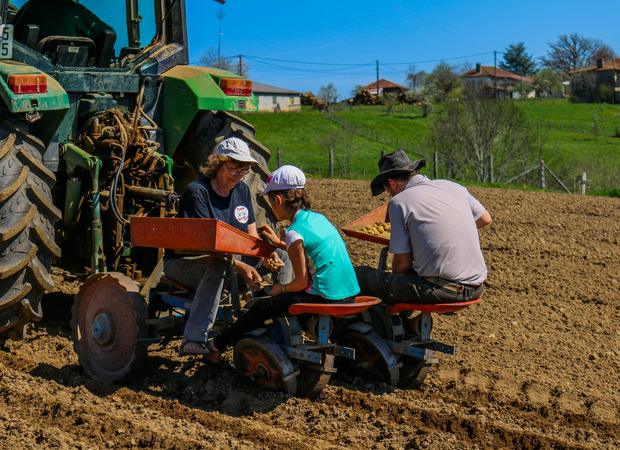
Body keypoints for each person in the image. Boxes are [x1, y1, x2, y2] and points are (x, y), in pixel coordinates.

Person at [205, 165, 360, 358]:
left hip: (326, 296)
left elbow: (301, 283)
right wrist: (278, 242)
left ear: (277, 199)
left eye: (270, 200)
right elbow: (308, 250)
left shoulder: (295, 232)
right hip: (349, 294)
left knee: (262, 307)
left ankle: (216, 345)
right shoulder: (318, 219)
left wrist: (281, 289)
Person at [163, 137, 290, 355]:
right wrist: (242, 267)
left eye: (244, 171)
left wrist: (263, 256)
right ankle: (194, 337)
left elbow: (250, 236)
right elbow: (205, 247)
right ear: (218, 163)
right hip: (188, 262)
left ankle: (279, 313)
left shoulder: (241, 190)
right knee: (217, 266)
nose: (239, 175)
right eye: (234, 169)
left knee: (281, 255)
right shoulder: (197, 192)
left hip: (230, 260)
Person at [355, 150, 491, 312]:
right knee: (414, 276)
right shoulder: (453, 186)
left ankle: (395, 322)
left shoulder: (399, 202)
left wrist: (394, 293)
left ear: (391, 183)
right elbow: (485, 219)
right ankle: (411, 321)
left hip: (444, 290)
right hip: (475, 287)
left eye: (387, 190)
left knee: (359, 275)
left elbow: (403, 264)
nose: (389, 195)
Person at [13, 0, 113, 48]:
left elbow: (12, 37)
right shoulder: (78, 12)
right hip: (75, 72)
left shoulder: (30, 7)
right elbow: (109, 33)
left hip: (34, 73)